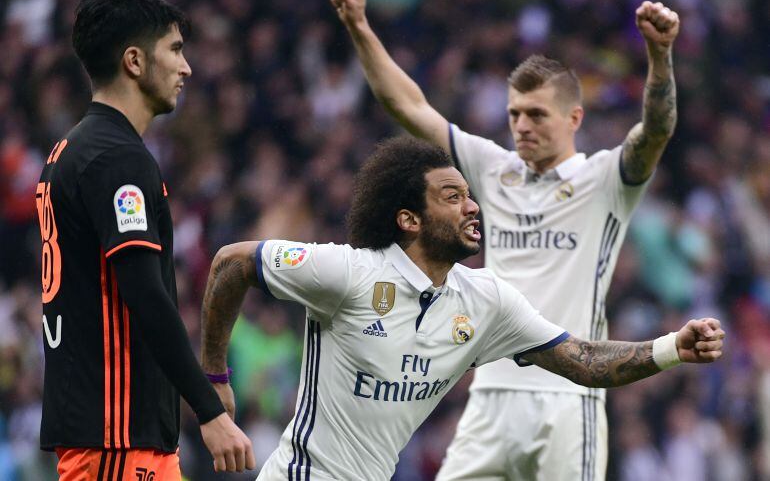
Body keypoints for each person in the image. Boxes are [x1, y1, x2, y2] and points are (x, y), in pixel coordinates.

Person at [199, 137, 723, 481]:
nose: (472, 205)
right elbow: (230, 264)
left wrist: (669, 348)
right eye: (452, 196)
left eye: (470, 195)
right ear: (409, 219)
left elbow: (582, 360)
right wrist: (215, 376)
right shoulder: (350, 274)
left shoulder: (486, 301)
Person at [331, 0, 680, 479]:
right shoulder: (494, 169)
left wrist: (660, 56)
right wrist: (360, 26)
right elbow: (408, 107)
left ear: (574, 117)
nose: (521, 126)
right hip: (493, 391)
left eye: (536, 114)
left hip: (569, 394)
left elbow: (657, 131)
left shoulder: (605, 178)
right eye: (514, 113)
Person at [34, 0, 255, 478]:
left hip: (120, 436)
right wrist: (209, 411)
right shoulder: (117, 158)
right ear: (134, 61)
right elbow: (144, 293)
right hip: (116, 437)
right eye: (175, 49)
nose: (187, 68)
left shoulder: (71, 150)